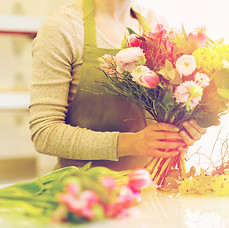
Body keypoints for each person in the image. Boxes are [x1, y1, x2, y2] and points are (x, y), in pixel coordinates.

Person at [29, 0, 207, 171]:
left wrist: (186, 128)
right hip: (86, 189)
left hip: (153, 186)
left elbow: (174, 106)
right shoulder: (62, 28)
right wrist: (132, 143)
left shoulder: (158, 24)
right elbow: (44, 133)